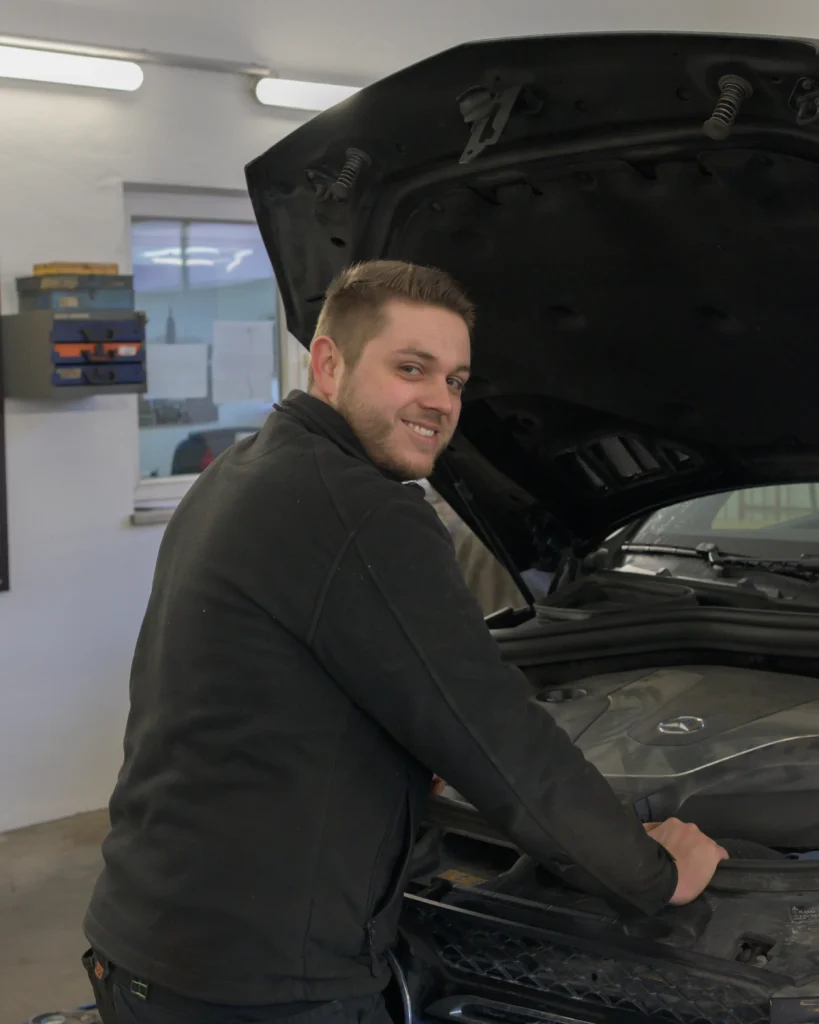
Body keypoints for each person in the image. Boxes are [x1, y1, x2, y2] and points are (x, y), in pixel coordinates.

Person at [82, 260, 727, 1024]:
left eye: (454, 380)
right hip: (261, 982)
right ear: (329, 363)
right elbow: (497, 739)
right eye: (410, 368)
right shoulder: (361, 512)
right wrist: (651, 874)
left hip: (154, 934)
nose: (439, 401)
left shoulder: (243, 475)